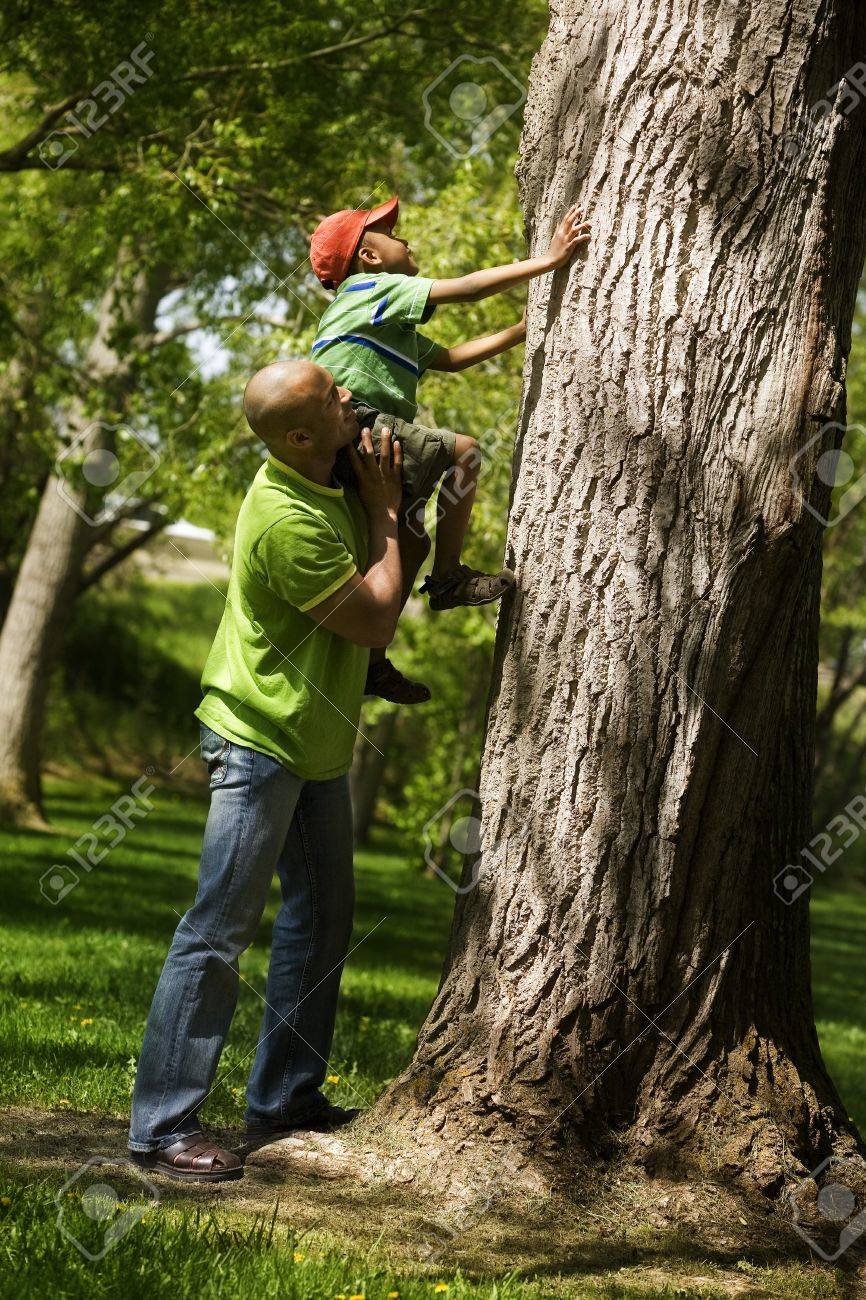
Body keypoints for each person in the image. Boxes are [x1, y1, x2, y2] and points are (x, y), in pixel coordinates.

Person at [128, 360, 402, 1182]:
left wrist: (390, 504)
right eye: (331, 397)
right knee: (218, 929)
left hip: (313, 743)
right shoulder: (287, 518)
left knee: (322, 919)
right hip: (258, 742)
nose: (348, 396)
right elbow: (376, 617)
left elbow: (401, 564)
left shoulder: (329, 481)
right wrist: (386, 510)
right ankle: (162, 1126)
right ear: (298, 435)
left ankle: (285, 1096)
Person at [309, 195, 591, 704]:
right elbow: (468, 289)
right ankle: (450, 579)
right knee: (466, 452)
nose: (404, 239)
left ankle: (374, 662)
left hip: (363, 435)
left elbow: (454, 358)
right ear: (368, 257)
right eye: (390, 235)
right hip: (359, 426)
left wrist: (521, 332)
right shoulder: (367, 290)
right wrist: (548, 261)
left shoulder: (388, 323)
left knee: (409, 539)